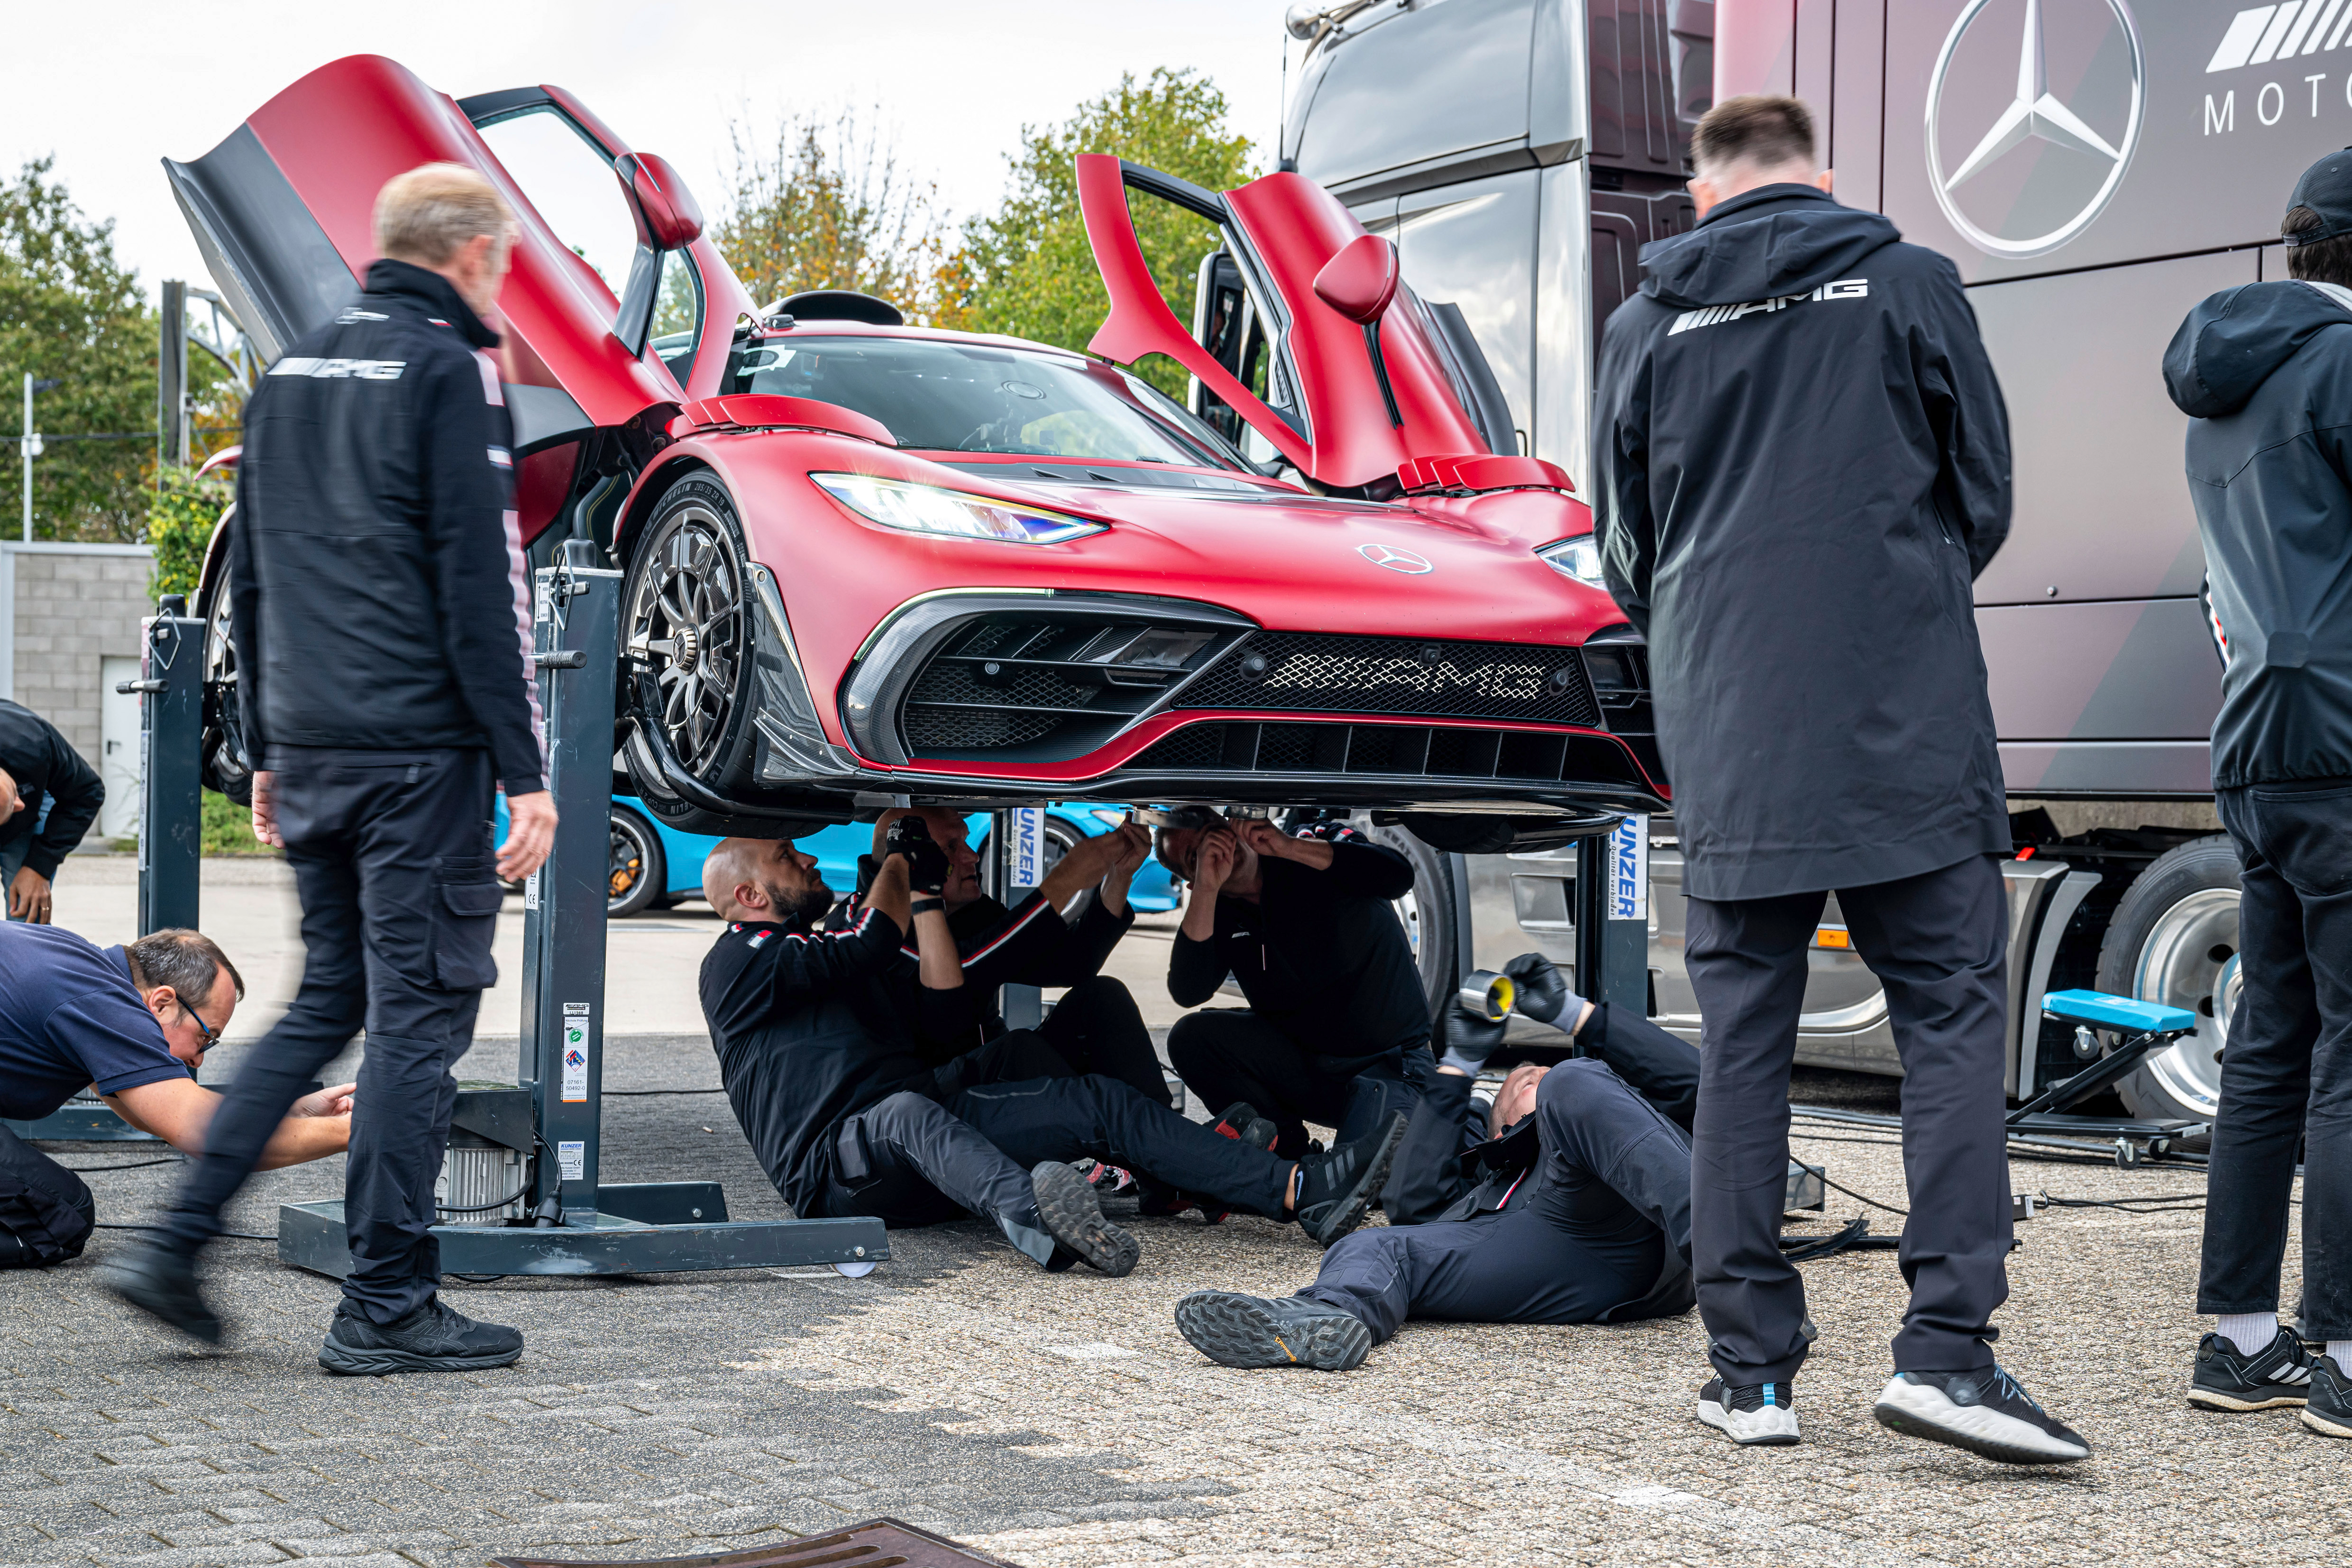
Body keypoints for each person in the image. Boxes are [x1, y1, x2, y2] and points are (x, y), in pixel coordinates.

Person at [1591, 94, 2087, 1464]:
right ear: (1817, 175)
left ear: (1702, 194)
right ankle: (1946, 1357)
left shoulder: (1645, 328)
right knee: (1944, 1023)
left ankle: (1751, 1375)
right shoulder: (1910, 281)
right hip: (1902, 720)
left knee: (1740, 1044)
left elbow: (1625, 550)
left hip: (1733, 729)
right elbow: (1981, 495)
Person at [102, 163, 557, 1377]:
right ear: (469, 255)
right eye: (502, 264)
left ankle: (175, 1247)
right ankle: (390, 1302)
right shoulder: (449, 370)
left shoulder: (289, 371)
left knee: (329, 1003)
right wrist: (527, 769)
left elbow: (249, 568)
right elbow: (482, 586)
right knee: (420, 1020)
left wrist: (261, 745)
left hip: (313, 751)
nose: (503, 285)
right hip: (420, 759)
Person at [698, 832, 1408, 1275]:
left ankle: (1293, 1190)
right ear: (750, 892)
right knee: (907, 1110)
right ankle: (1041, 1218)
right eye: (787, 857)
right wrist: (897, 864)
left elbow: (946, 993)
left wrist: (911, 888)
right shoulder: (740, 956)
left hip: (920, 1125)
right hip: (839, 1167)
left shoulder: (827, 940)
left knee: (1078, 1089)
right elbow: (871, 943)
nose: (807, 857)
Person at [2163, 150, 2352, 1440]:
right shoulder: (2345, 366)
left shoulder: (2225, 392)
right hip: (2346, 738)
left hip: (2260, 751)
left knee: (2271, 1045)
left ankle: (2241, 1340)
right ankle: (2343, 1351)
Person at [1173, 954, 1699, 1372]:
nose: (1536, 1071)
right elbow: (1413, 1204)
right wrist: (1458, 1068)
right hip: (1558, 1246)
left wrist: (1571, 1014)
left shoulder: (1616, 1106)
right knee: (1369, 1245)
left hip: (1647, 1222)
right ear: (1497, 1128)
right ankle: (1325, 1320)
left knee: (1577, 1080)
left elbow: (1701, 1085)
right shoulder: (1494, 1173)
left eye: (1540, 1070)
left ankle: (1728, 1259)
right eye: (1521, 1081)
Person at [1, 925, 352, 1270]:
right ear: (164, 1002)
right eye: (205, 1037)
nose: (199, 1059)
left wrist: (286, 1112)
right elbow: (201, 1129)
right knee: (62, 1215)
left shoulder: (78, 963)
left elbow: (154, 1110)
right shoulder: (104, 1005)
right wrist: (355, 1130)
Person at [1157, 814, 1431, 1159]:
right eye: (1195, 857)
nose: (1216, 852)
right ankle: (1285, 1151)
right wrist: (1208, 887)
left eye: (1213, 835)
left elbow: (1397, 876)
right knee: (1190, 1038)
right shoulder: (1219, 911)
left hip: (1388, 1064)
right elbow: (1188, 990)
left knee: (1361, 1179)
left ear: (1232, 825)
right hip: (1309, 1071)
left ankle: (1440, 1120)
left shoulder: (1308, 842)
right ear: (1191, 880)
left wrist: (1287, 847)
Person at [859, 808, 1165, 1108]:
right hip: (921, 1102)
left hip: (991, 1066)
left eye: (965, 841)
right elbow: (961, 972)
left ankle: (1165, 1133)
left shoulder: (971, 912)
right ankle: (1131, 1137)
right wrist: (1064, 881)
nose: (972, 856)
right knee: (1018, 1050)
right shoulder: (869, 927)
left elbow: (1072, 964)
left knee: (1101, 997)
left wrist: (1120, 875)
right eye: (951, 847)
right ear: (902, 860)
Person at [0, 697, 105, 925]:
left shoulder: (31, 744)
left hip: (34, 787)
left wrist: (40, 865)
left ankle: (29, 952)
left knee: (27, 908)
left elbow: (88, 794)